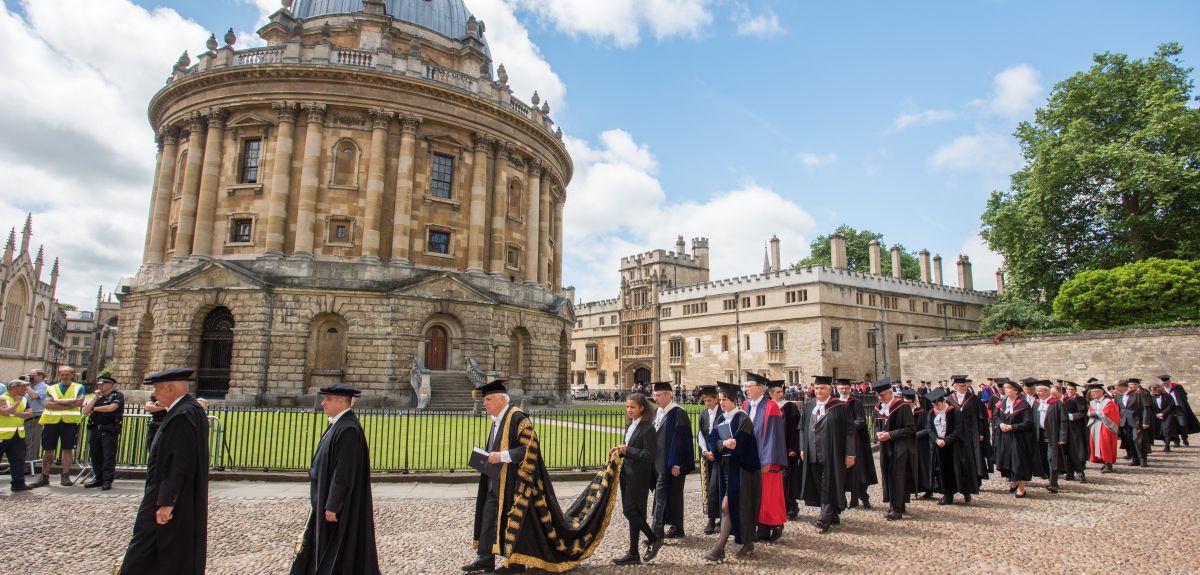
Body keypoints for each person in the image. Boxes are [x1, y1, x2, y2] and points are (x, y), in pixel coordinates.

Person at [465, 379, 619, 574]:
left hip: (515, 483)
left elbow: (530, 447)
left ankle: (515, 564)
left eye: (488, 400)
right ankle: (484, 558)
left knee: (514, 523)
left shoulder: (518, 418)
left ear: (501, 400)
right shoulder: (496, 420)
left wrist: (502, 456)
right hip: (494, 480)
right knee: (488, 518)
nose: (484, 404)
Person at [119, 367, 209, 575]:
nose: (154, 394)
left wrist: (167, 502)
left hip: (166, 495)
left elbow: (180, 462)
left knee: (143, 548)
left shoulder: (182, 415)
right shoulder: (188, 410)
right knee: (170, 547)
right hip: (176, 494)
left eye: (158, 389)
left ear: (171, 389)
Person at [291, 384, 380, 575]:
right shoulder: (339, 425)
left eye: (328, 399)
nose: (323, 403)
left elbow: (343, 472)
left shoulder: (348, 429)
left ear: (341, 401)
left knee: (337, 548)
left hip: (338, 508)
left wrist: (333, 505)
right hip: (324, 498)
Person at [705, 383, 760, 562]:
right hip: (726, 469)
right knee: (730, 507)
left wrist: (731, 443)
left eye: (725, 400)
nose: (721, 403)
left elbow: (742, 442)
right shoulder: (722, 418)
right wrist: (722, 444)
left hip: (742, 470)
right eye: (720, 400)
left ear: (734, 400)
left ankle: (721, 547)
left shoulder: (742, 418)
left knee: (732, 506)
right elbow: (712, 438)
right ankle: (746, 543)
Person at [796, 376, 856, 532]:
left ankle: (824, 517)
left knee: (829, 483)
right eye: (816, 388)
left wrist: (850, 454)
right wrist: (802, 448)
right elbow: (801, 428)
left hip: (833, 453)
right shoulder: (809, 406)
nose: (818, 391)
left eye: (822, 388)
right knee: (819, 484)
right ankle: (833, 513)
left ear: (830, 389)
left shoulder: (841, 407)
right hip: (812, 452)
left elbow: (850, 432)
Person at [611, 393, 658, 566]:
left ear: (642, 408)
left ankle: (653, 538)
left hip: (639, 476)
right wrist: (619, 452)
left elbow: (649, 455)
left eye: (632, 407)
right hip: (626, 474)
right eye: (627, 406)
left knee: (630, 511)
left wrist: (628, 450)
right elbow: (629, 450)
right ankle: (633, 553)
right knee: (634, 514)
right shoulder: (630, 425)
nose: (629, 410)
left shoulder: (648, 428)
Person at [740, 372, 787, 541]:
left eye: (749, 387)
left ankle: (775, 524)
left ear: (760, 388)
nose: (746, 390)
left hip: (766, 458)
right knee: (754, 493)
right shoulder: (745, 405)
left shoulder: (771, 407)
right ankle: (760, 527)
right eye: (745, 387)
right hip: (750, 457)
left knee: (769, 495)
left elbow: (774, 435)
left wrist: (767, 459)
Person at [649, 381, 694, 540]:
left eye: (658, 395)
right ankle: (677, 528)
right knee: (669, 495)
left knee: (666, 496)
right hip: (658, 462)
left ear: (668, 395)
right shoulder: (657, 412)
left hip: (671, 462)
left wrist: (677, 464)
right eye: (654, 395)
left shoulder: (678, 413)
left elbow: (682, 440)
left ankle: (658, 532)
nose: (655, 398)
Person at [873, 378, 917, 521]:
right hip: (885, 446)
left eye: (883, 395)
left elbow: (911, 428)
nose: (881, 398)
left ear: (890, 392)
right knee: (887, 474)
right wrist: (878, 433)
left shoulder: (902, 407)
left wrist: (891, 434)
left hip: (901, 446)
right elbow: (877, 425)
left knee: (898, 475)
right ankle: (897, 503)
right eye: (879, 396)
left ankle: (896, 508)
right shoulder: (878, 408)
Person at [35, 366, 85, 487]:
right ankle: (44, 475)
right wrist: (69, 404)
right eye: (62, 374)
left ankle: (65, 475)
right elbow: (47, 404)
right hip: (51, 422)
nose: (64, 376)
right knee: (48, 450)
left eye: (67, 374)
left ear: (72, 375)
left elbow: (79, 402)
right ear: (59, 375)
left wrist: (57, 402)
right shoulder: (51, 388)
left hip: (69, 423)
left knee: (67, 449)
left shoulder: (79, 387)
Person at [925, 388, 976, 505]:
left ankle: (965, 491)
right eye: (934, 405)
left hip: (954, 446)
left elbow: (958, 429)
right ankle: (947, 495)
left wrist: (946, 440)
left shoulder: (955, 412)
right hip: (939, 446)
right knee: (943, 471)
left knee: (959, 470)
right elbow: (929, 428)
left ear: (944, 401)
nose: (936, 408)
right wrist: (936, 439)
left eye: (938, 405)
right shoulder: (932, 413)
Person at [995, 379, 1039, 497]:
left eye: (1008, 388)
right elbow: (995, 416)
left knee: (1019, 462)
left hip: (1018, 438)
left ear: (1015, 391)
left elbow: (1028, 422)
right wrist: (1000, 424)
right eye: (1005, 388)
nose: (1005, 390)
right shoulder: (1003, 402)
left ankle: (1021, 489)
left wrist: (1012, 427)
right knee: (1009, 461)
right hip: (1005, 437)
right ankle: (1014, 482)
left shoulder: (1023, 405)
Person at [836, 380, 876, 509]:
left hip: (855, 440)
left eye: (846, 388)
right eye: (841, 388)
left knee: (857, 471)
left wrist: (847, 428)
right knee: (840, 471)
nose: (844, 390)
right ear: (837, 389)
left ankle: (863, 497)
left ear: (850, 389)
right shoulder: (834, 403)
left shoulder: (856, 402)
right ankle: (841, 500)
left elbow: (861, 420)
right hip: (839, 441)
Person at [946, 375, 989, 488]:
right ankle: (961, 480)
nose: (964, 387)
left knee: (973, 456)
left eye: (965, 385)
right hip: (956, 433)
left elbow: (981, 417)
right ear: (955, 386)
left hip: (972, 432)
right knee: (959, 457)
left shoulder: (974, 399)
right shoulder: (949, 399)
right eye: (961, 386)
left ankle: (976, 480)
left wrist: (981, 432)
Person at [82, 375, 124, 490]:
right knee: (95, 455)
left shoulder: (117, 395)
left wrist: (94, 409)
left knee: (108, 455)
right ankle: (98, 478)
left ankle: (107, 480)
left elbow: (111, 408)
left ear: (110, 384)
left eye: (102, 384)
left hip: (109, 429)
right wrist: (95, 398)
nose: (100, 386)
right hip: (96, 428)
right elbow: (85, 411)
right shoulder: (98, 398)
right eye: (99, 384)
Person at [770, 380, 802, 521]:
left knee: (786, 480)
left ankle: (791, 506)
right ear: (771, 394)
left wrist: (793, 447)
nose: (781, 394)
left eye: (781, 391)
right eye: (777, 392)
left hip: (786, 450)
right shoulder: (768, 407)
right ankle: (778, 507)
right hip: (771, 450)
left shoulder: (789, 407)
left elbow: (795, 429)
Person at [695, 384, 722, 535]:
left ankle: (723, 518)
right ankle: (711, 519)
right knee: (708, 488)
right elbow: (700, 434)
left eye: (709, 400)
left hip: (720, 456)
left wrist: (715, 451)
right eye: (705, 401)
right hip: (707, 457)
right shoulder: (703, 414)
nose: (707, 403)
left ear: (716, 398)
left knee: (718, 487)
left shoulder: (722, 413)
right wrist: (705, 451)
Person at [1033, 380, 1067, 493]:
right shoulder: (1036, 403)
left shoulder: (1057, 404)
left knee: (1051, 458)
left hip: (1052, 435)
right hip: (1039, 434)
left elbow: (1063, 421)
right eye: (1037, 391)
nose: (1038, 393)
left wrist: (1062, 436)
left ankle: (1053, 483)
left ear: (1048, 391)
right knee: (1043, 458)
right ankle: (1049, 478)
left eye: (1040, 391)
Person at [1, 378, 34, 491]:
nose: (26, 389)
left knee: (18, 460)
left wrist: (13, 412)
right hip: (2, 435)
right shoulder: (2, 398)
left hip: (18, 435)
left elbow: (29, 414)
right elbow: (5, 412)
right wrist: (16, 403)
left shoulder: (24, 399)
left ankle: (18, 483)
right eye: (24, 387)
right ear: (15, 388)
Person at [1086, 382, 1119, 473]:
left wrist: (1095, 414)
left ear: (1101, 392)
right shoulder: (1093, 402)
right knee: (1098, 444)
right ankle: (1104, 461)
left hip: (1106, 426)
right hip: (1096, 425)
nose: (1093, 393)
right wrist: (1094, 414)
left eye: (1095, 391)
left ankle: (1109, 464)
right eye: (1092, 392)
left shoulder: (1108, 402)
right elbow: (1089, 413)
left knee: (1106, 444)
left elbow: (1107, 413)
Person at [907, 389, 935, 500]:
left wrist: (915, 435)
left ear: (914, 402)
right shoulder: (903, 413)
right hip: (908, 445)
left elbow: (927, 429)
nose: (907, 405)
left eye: (909, 403)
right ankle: (910, 489)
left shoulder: (922, 413)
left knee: (922, 468)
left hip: (921, 445)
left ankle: (928, 489)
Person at [1061, 382, 1090, 482]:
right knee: (1067, 451)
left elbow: (1082, 413)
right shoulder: (1063, 399)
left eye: (1072, 389)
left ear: (1075, 390)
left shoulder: (1080, 400)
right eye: (1068, 389)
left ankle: (1081, 473)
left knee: (1078, 451)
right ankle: (1069, 473)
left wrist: (1071, 416)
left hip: (1077, 428)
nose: (1070, 391)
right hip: (1065, 428)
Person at [1160, 374, 1200, 446]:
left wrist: (1181, 403)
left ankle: (1184, 438)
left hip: (1179, 408)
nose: (1165, 384)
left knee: (1182, 424)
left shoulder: (1177, 387)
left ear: (1170, 381)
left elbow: (1184, 396)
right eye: (1164, 383)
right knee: (1172, 425)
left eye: (1166, 383)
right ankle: (1176, 441)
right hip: (1168, 409)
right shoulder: (1161, 389)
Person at [1114, 380, 1147, 467]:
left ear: (1124, 386)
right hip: (1124, 422)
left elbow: (1144, 408)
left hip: (1136, 421)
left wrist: (1145, 421)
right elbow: (1117, 409)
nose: (1116, 389)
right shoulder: (1118, 395)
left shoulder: (1137, 394)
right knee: (1129, 441)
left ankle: (1142, 459)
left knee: (1137, 440)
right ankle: (1135, 459)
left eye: (1117, 387)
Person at [23, 369, 49, 466]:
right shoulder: (29, 387)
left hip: (35, 418)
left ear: (40, 376)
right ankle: (20, 464)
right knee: (22, 442)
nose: (30, 377)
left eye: (32, 375)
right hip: (24, 417)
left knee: (32, 442)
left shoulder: (45, 387)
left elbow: (34, 396)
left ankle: (28, 465)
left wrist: (26, 385)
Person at [1148, 383, 1178, 452]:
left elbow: (1171, 405)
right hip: (1156, 416)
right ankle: (1166, 443)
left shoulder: (1167, 396)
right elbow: (1150, 408)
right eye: (1151, 390)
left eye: (1153, 390)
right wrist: (1156, 414)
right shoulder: (1150, 397)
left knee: (1167, 430)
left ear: (1158, 390)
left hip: (1167, 415)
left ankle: (1167, 446)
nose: (1152, 391)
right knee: (1160, 431)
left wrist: (1163, 413)